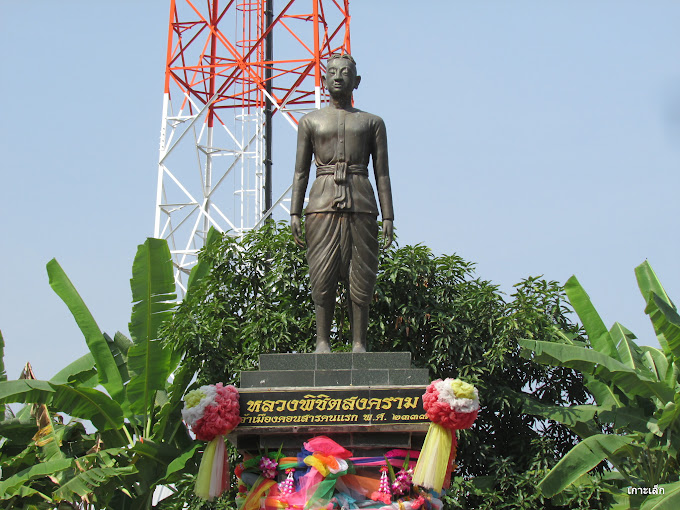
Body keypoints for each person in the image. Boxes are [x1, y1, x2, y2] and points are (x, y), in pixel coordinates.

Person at [290, 53, 394, 353]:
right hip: (321, 201)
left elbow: (382, 173)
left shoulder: (373, 122)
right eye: (332, 72)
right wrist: (295, 211)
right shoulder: (310, 121)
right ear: (323, 80)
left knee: (360, 275)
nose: (338, 76)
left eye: (345, 72)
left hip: (361, 200)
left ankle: (359, 343)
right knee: (322, 274)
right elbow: (300, 170)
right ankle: (322, 341)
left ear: (356, 81)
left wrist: (388, 216)